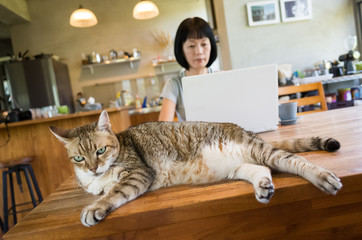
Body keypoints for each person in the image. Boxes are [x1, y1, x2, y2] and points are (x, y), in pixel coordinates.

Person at [158, 17, 217, 121]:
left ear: (211, 46)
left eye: (204, 44)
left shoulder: (220, 78)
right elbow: (163, 127)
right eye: (191, 46)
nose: (199, 51)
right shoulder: (174, 85)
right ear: (182, 50)